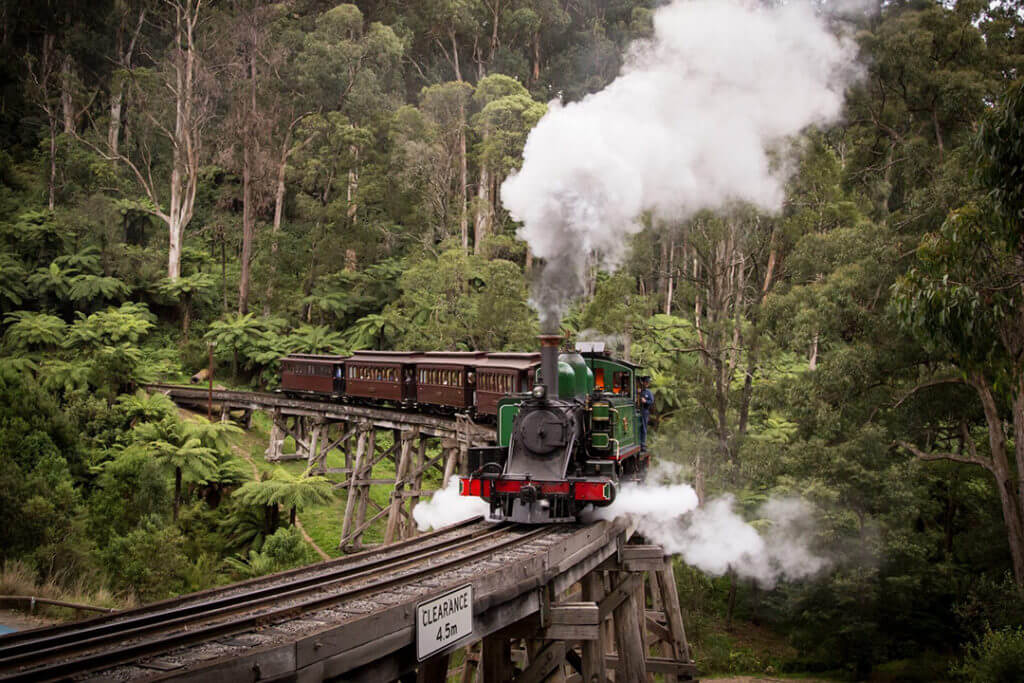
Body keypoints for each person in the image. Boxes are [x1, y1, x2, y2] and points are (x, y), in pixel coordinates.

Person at [638, 376, 654, 451]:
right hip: (638, 410)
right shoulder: (639, 390)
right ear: (643, 382)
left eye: (648, 382)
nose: (647, 384)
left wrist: (645, 401)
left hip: (644, 411)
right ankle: (638, 442)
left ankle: (643, 444)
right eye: (646, 382)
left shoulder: (648, 392)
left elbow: (651, 401)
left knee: (643, 427)